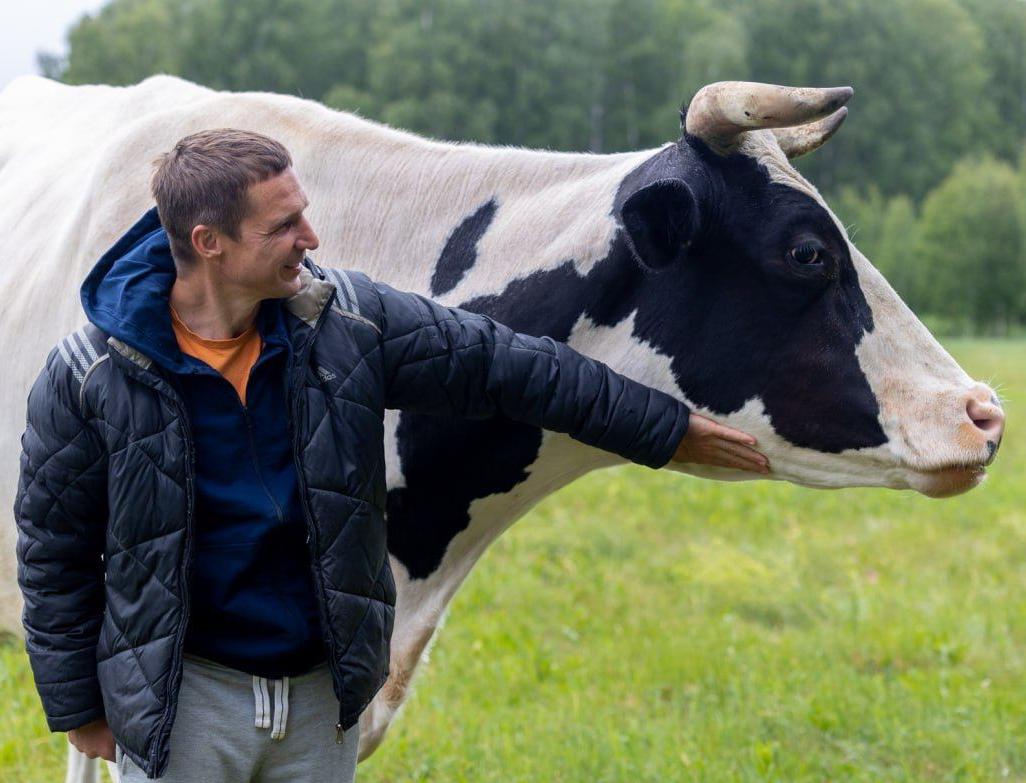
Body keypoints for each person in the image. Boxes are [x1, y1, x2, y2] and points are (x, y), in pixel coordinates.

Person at [13, 128, 768, 782]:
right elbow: (53, 550)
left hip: (319, 703)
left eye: (304, 211)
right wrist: (79, 708)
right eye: (284, 224)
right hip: (185, 704)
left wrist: (664, 430)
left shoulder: (347, 321)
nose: (311, 236)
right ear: (209, 242)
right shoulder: (91, 373)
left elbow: (506, 364)